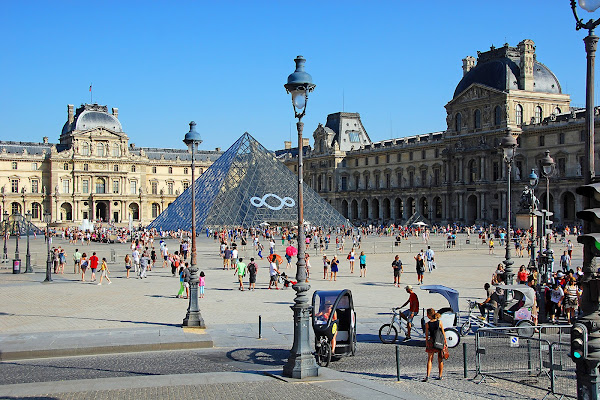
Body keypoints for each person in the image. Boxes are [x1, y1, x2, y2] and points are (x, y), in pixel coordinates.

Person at [423, 308, 447, 382]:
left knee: (430, 359)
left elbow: (427, 335)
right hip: (439, 341)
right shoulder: (439, 322)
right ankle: (440, 375)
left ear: (428, 315)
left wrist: (427, 342)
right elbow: (443, 332)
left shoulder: (427, 324)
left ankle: (427, 376)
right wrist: (445, 342)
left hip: (431, 342)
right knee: (440, 359)